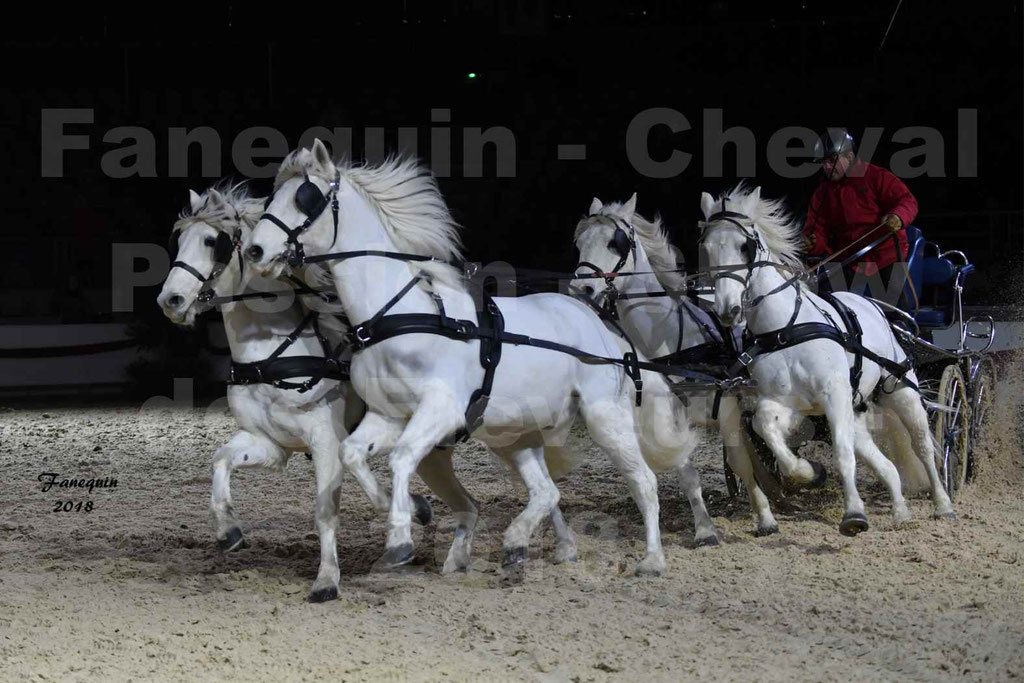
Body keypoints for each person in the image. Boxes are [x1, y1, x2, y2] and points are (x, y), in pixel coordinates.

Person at [803, 128, 917, 306]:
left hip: (884, 257)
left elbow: (906, 201)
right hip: (849, 261)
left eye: (832, 161)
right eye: (823, 162)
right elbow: (817, 229)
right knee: (824, 304)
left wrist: (898, 216)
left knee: (894, 314)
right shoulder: (822, 193)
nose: (826, 167)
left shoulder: (876, 177)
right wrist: (812, 242)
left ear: (849, 156)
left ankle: (903, 330)